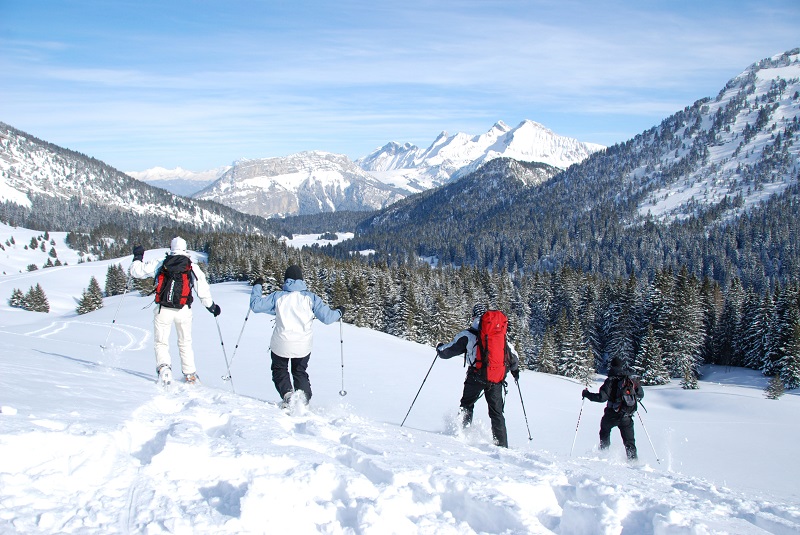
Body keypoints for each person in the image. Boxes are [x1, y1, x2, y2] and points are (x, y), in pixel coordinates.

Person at [129, 236, 221, 385]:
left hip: (163, 309)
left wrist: (138, 256)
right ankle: (190, 374)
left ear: (171, 249)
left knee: (161, 341)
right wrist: (211, 307)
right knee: (185, 342)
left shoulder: (162, 262)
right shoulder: (191, 266)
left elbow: (136, 271)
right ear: (185, 249)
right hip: (183, 310)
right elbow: (202, 288)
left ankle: (164, 369)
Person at [250, 265, 343, 406]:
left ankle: (288, 396)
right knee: (299, 371)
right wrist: (340, 312)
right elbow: (328, 318)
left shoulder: (278, 297)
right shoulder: (311, 298)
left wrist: (257, 286)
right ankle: (303, 400)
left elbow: (256, 306)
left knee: (279, 369)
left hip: (281, 343)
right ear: (301, 280)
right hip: (303, 345)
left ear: (286, 280)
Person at [436, 303, 520, 448]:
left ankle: (463, 435)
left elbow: (447, 352)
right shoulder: (498, 333)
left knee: (467, 404)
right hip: (495, 379)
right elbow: (513, 358)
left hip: (476, 376)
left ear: (473, 316)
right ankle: (502, 445)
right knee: (497, 413)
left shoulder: (468, 335)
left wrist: (439, 348)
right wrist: (514, 371)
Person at [582, 356, 645, 460]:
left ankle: (604, 454)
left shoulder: (610, 380)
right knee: (629, 442)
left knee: (605, 431)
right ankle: (634, 462)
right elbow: (640, 395)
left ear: (612, 366)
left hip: (611, 415)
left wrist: (587, 394)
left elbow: (602, 398)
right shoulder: (630, 380)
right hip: (627, 416)